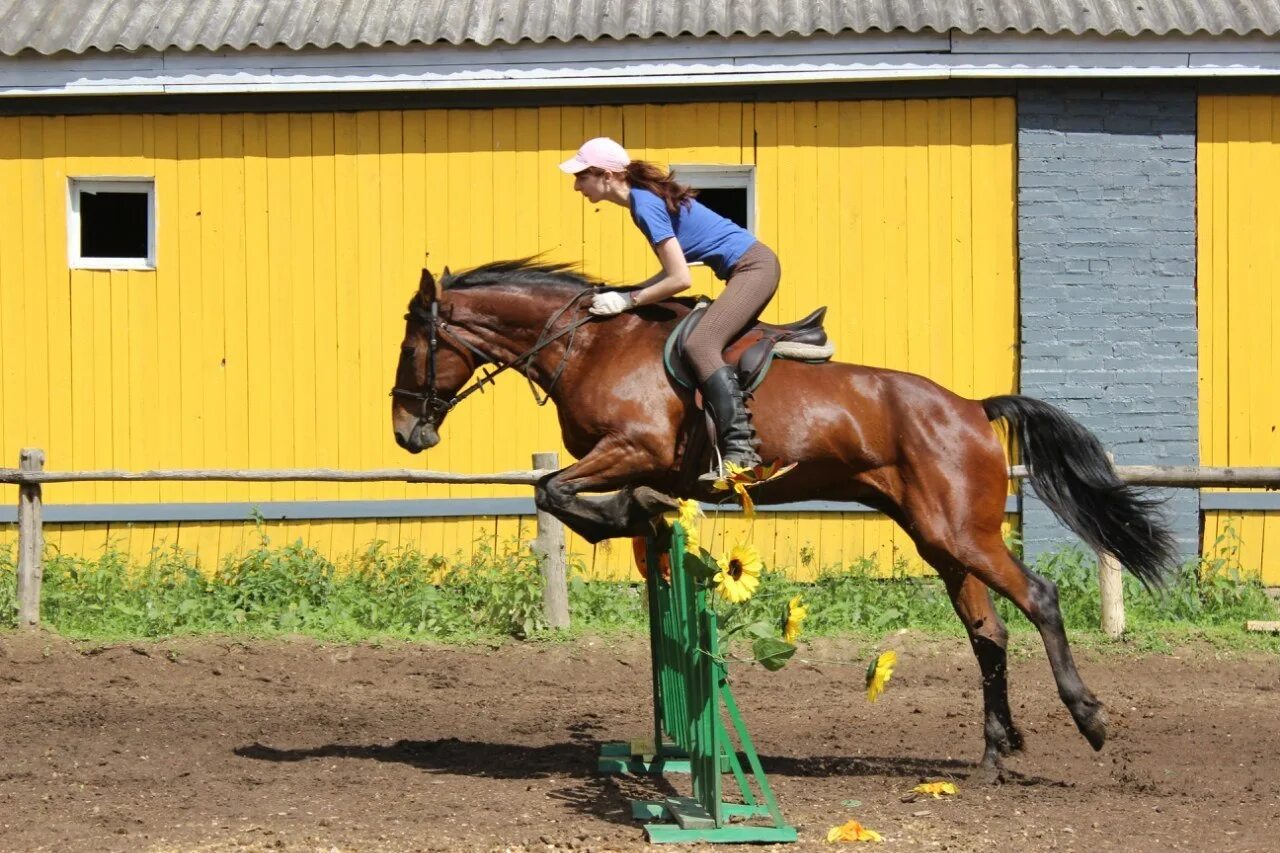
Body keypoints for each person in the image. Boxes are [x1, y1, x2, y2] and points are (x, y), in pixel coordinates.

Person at [559, 137, 780, 478]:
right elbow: (670, 271)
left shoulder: (644, 205)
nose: (576, 186)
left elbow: (679, 279)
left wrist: (627, 300)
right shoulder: (642, 202)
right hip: (749, 268)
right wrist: (629, 290)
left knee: (700, 344)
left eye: (581, 176)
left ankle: (741, 450)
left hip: (755, 269)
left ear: (605, 175)